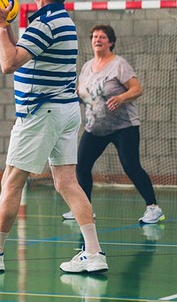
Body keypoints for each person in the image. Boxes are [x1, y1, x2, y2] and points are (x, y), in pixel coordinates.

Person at [0, 0, 108, 273]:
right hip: (65, 110)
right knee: (68, 182)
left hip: (41, 113)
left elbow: (8, 62)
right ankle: (94, 254)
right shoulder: (61, 20)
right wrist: (3, 26)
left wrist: (0, 25)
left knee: (11, 182)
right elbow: (21, 51)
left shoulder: (45, 24)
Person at [61, 25, 165, 224]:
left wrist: (121, 97)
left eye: (102, 37)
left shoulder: (119, 64)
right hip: (96, 128)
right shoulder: (86, 68)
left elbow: (137, 89)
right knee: (81, 166)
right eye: (95, 37)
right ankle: (85, 209)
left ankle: (153, 208)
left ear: (111, 42)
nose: (98, 39)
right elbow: (83, 95)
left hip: (123, 127)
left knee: (131, 166)